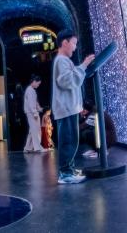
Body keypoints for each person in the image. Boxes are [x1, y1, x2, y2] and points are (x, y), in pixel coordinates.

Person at [52, 29, 94, 185]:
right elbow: (67, 81)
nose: (75, 47)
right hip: (66, 109)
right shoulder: (61, 61)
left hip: (69, 109)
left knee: (72, 140)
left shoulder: (64, 61)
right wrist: (83, 65)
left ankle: (69, 169)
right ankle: (65, 174)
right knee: (68, 141)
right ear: (65, 42)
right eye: (74, 43)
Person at [23, 75, 45, 153]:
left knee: (32, 131)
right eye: (38, 84)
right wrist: (35, 113)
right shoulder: (30, 90)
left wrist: (39, 109)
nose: (38, 85)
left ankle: (27, 148)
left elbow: (34, 102)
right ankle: (37, 148)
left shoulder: (31, 90)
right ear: (34, 82)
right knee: (35, 131)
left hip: (31, 112)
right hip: (31, 113)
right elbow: (31, 103)